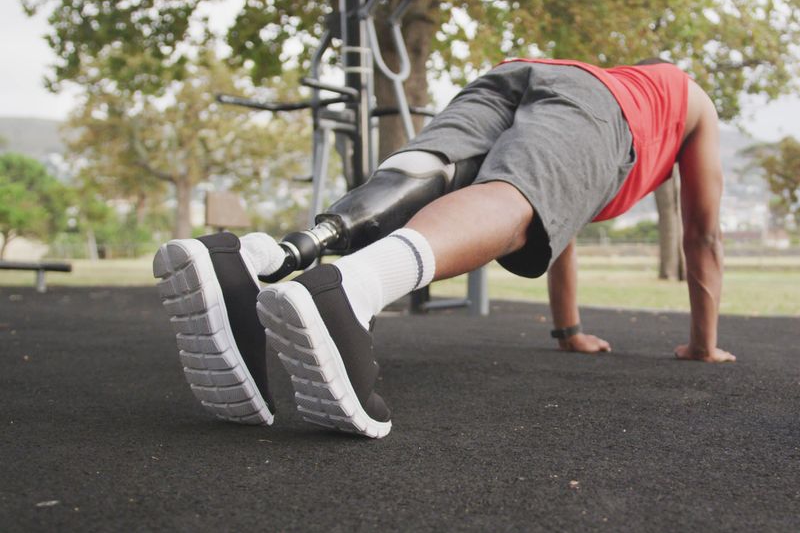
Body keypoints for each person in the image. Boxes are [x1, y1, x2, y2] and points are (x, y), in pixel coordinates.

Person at [153, 58, 735, 439]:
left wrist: (568, 331)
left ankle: (257, 260)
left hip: (516, 72)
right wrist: (703, 345)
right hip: (597, 104)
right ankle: (350, 288)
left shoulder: (618, 80)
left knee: (427, 170)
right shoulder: (690, 102)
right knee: (515, 199)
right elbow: (702, 235)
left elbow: (562, 222)